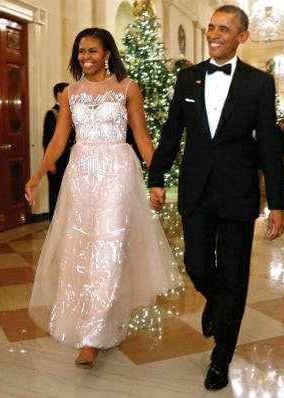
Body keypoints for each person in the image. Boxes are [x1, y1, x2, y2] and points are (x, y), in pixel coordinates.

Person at [148, 5, 284, 391]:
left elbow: (269, 147)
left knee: (235, 276)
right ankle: (216, 302)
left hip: (238, 192)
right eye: (211, 27)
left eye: (223, 28)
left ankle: (220, 357)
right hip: (196, 190)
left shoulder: (259, 83)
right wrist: (156, 176)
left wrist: (276, 202)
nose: (213, 33)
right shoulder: (188, 78)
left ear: (242, 36)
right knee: (196, 264)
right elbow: (172, 131)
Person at [24, 28, 182, 369]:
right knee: (79, 249)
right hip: (80, 174)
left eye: (92, 50)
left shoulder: (127, 88)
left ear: (107, 53)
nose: (86, 57)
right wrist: (36, 176)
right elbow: (58, 141)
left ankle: (92, 338)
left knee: (109, 248)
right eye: (81, 51)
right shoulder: (71, 93)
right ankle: (82, 321)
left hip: (117, 173)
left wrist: (158, 181)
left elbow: (141, 138)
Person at [42, 82, 76, 220]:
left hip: (70, 157)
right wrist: (49, 162)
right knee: (56, 193)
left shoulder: (72, 113)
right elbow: (47, 140)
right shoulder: (52, 114)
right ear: (59, 95)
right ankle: (54, 224)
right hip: (57, 160)